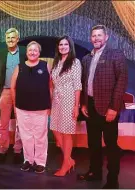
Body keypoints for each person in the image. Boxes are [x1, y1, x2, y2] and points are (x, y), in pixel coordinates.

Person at [77, 25, 128, 189]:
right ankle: (95, 172)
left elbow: (121, 82)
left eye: (99, 35)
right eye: (93, 36)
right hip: (90, 106)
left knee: (111, 145)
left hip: (108, 108)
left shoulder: (116, 55)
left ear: (106, 37)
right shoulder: (87, 58)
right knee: (93, 143)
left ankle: (113, 180)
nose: (96, 38)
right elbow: (85, 83)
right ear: (91, 38)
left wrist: (113, 108)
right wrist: (84, 103)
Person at [11, 41, 51, 173]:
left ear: (39, 53)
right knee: (26, 136)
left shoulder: (46, 66)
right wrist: (15, 106)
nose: (32, 52)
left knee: (40, 136)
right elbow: (13, 88)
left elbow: (51, 86)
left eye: (35, 50)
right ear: (27, 52)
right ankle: (28, 160)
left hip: (41, 108)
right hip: (22, 108)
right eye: (30, 50)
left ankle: (40, 162)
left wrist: (50, 104)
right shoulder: (19, 67)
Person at [50, 36, 82, 176]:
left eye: (65, 44)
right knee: (56, 130)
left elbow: (77, 86)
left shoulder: (75, 62)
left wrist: (76, 106)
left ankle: (65, 164)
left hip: (69, 100)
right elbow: (53, 83)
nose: (63, 46)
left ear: (70, 46)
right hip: (56, 101)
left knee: (66, 133)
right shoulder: (56, 63)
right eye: (60, 44)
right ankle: (69, 160)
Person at [0, 28, 26, 164]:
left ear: (17, 39)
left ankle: (18, 150)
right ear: (5, 39)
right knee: (4, 123)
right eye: (8, 38)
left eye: (13, 38)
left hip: (21, 92)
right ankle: (2, 149)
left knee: (20, 123)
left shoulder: (24, 51)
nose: (10, 40)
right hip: (6, 91)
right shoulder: (0, 54)